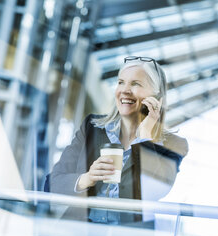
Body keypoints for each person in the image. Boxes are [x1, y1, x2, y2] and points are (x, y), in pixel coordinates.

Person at [47, 56, 188, 224]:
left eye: (136, 84)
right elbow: (52, 184)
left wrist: (146, 139)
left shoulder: (174, 145)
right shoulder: (92, 128)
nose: (125, 90)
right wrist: (86, 178)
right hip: (79, 235)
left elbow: (150, 193)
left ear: (156, 97)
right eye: (121, 82)